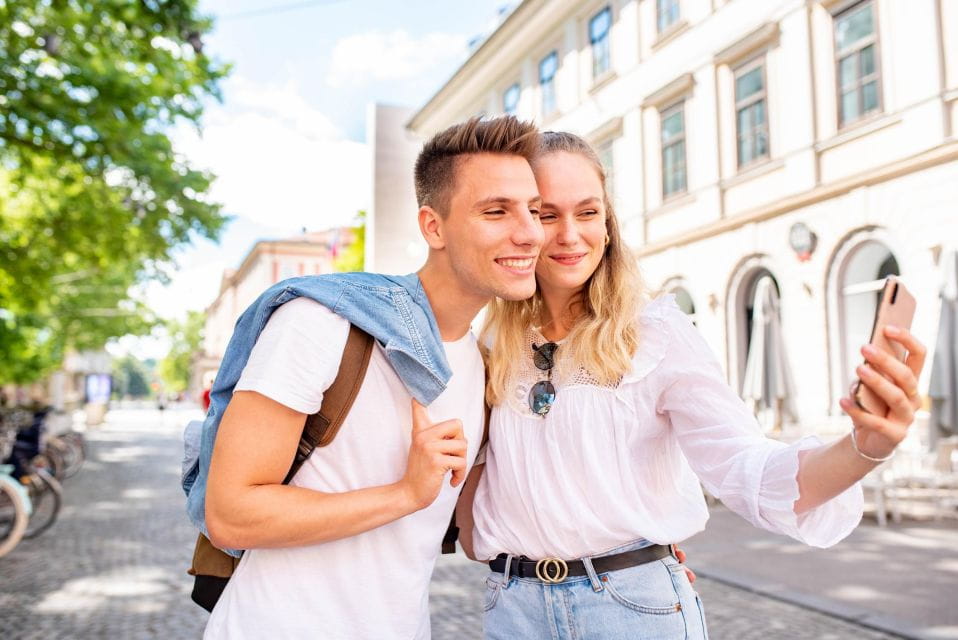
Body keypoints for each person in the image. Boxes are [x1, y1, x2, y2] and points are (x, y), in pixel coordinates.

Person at [455, 131, 927, 639]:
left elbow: (747, 465)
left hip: (628, 609)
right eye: (548, 215)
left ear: (609, 227)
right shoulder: (490, 347)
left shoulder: (655, 333)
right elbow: (469, 510)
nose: (571, 234)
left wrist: (865, 448)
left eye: (589, 212)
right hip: (511, 606)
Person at [198, 116, 544, 639]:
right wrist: (405, 492)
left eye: (534, 211)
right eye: (496, 211)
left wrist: (636, 551)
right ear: (433, 227)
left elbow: (479, 532)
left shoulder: (480, 363)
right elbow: (231, 512)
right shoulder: (323, 323)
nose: (529, 232)